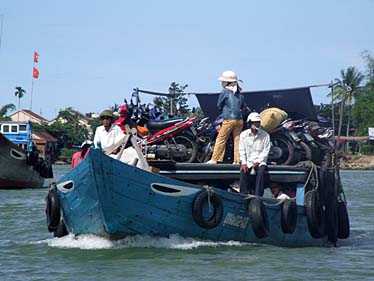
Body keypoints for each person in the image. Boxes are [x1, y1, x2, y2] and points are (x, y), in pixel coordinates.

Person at [207, 70, 246, 164]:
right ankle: (237, 160)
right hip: (239, 120)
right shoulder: (240, 93)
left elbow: (219, 105)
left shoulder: (225, 91)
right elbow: (243, 107)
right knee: (237, 140)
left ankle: (215, 159)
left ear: (227, 82)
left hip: (228, 119)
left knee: (221, 138)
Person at [239, 112, 271, 196]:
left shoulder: (265, 135)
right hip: (248, 161)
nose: (258, 124)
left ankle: (258, 195)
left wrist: (258, 161)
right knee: (243, 171)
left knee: (261, 172)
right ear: (250, 123)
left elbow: (266, 151)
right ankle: (243, 194)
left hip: (260, 161)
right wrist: (244, 163)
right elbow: (242, 150)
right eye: (255, 122)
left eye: (258, 122)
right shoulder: (243, 135)